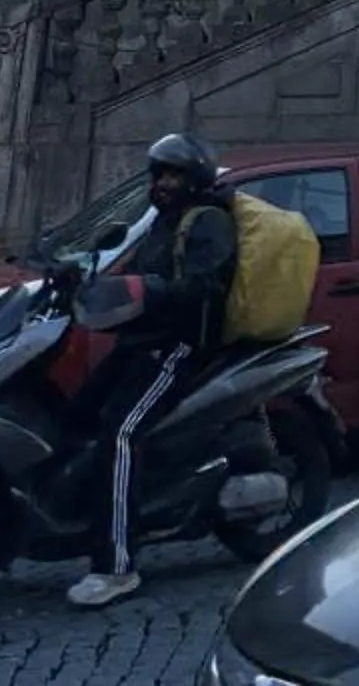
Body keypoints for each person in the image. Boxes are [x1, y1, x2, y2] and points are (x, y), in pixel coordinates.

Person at [64, 132, 237, 610]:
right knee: (77, 415)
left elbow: (204, 286)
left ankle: (116, 566)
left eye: (173, 174)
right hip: (140, 342)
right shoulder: (165, 223)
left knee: (119, 433)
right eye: (158, 174)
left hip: (178, 348)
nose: (162, 183)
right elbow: (131, 272)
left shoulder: (208, 223)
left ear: (194, 178)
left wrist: (157, 291)